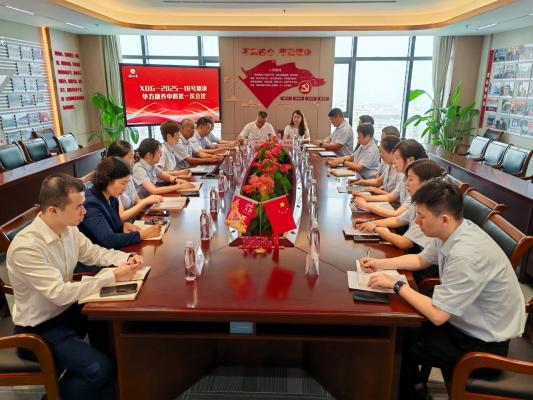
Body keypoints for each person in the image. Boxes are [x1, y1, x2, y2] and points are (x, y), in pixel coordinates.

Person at [360, 179, 526, 399]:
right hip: (465, 321)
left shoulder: (466, 254)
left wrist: (396, 284)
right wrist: (379, 264)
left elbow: (438, 315)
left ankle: (411, 393)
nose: (416, 221)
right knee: (402, 326)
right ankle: (415, 386)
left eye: (421, 216)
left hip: (483, 345)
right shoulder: (453, 230)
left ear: (444, 218)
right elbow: (420, 260)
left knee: (400, 341)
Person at [6, 173, 145, 400]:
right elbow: (59, 294)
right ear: (53, 210)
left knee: (110, 328)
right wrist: (111, 276)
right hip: (40, 328)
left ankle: (111, 389)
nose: (85, 212)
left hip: (67, 311)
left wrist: (125, 259)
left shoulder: (68, 228)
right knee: (99, 369)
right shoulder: (27, 247)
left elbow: (93, 252)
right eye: (79, 206)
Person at [356, 159, 443, 251]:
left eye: (410, 179)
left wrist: (376, 228)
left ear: (426, 183)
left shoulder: (431, 208)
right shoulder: (418, 200)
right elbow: (398, 220)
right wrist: (371, 223)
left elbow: (404, 243)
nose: (406, 183)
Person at [79, 157, 161, 249]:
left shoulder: (112, 196)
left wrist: (123, 226)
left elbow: (112, 225)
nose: (125, 188)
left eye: (127, 184)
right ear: (108, 180)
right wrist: (142, 234)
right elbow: (108, 240)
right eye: (122, 184)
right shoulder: (90, 204)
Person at [353, 139, 427, 218]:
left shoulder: (419, 185)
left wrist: (367, 206)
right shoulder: (405, 177)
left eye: (397, 158)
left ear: (410, 160)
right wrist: (365, 197)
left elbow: (397, 215)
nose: (394, 162)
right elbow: (390, 197)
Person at [106, 140, 162, 223]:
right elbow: (121, 216)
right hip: (125, 225)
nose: (134, 160)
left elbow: (136, 199)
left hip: (135, 220)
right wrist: (145, 202)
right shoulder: (112, 182)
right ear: (118, 159)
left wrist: (150, 207)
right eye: (131, 157)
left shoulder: (128, 174)